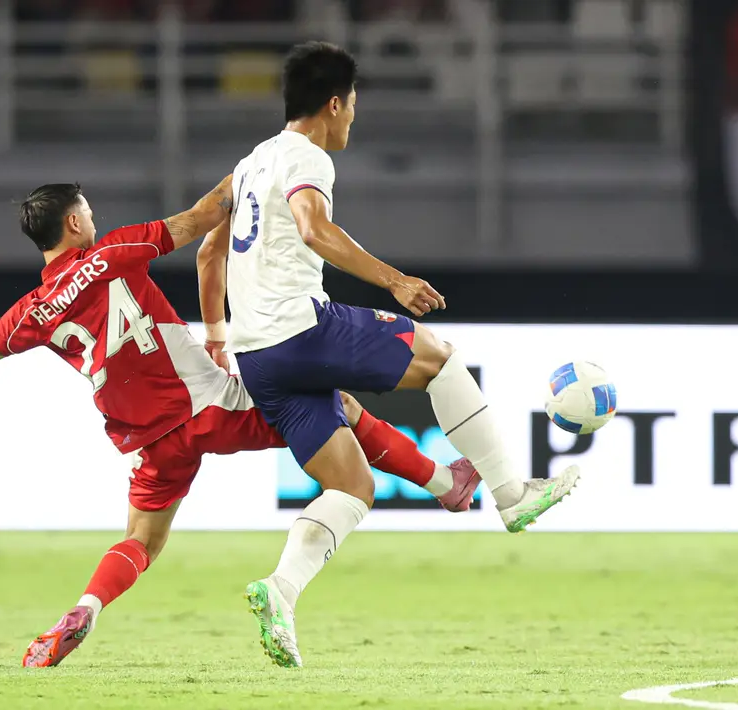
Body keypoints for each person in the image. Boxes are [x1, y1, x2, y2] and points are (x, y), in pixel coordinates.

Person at [0, 178, 481, 668]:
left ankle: (82, 610)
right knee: (336, 403)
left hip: (144, 441)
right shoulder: (115, 251)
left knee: (143, 544)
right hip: (204, 407)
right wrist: (250, 175)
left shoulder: (31, 312)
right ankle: (443, 484)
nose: (94, 218)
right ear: (75, 223)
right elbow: (203, 218)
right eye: (88, 211)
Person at [203, 41, 581, 667]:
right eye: (352, 106)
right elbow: (313, 229)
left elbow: (208, 253)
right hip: (299, 328)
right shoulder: (306, 158)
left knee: (351, 485)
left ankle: (280, 591)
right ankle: (512, 494)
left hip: (257, 357)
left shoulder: (250, 164)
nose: (353, 118)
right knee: (438, 356)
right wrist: (395, 281)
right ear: (332, 103)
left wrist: (217, 334)